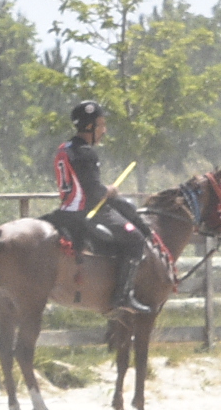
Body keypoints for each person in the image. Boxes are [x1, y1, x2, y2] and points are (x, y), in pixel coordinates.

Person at [46, 99, 154, 315]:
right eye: (101, 124)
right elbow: (95, 193)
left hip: (65, 211)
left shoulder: (63, 149)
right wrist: (111, 191)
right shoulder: (86, 152)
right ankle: (122, 297)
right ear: (89, 126)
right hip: (86, 212)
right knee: (136, 239)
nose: (104, 131)